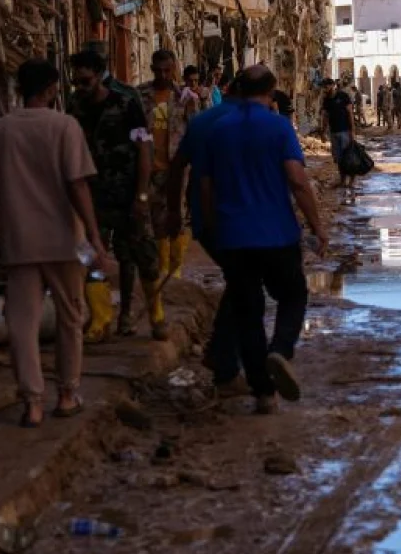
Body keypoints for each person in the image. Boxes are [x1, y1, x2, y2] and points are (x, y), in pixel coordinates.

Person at [0, 60, 111, 427]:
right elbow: (78, 184)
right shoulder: (65, 126)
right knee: (71, 317)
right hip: (64, 242)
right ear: (52, 89)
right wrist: (95, 236)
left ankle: (32, 403)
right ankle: (67, 394)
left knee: (21, 323)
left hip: (19, 242)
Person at [198, 65, 328, 414]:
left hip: (233, 236)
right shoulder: (278, 126)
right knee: (293, 295)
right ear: (271, 91)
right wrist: (317, 226)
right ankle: (281, 350)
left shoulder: (217, 128)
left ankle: (263, 393)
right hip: (276, 234)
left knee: (247, 312)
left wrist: (214, 228)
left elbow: (205, 187)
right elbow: (298, 181)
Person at [69, 49, 166, 341]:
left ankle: (156, 315)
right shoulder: (75, 107)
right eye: (76, 82)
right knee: (91, 258)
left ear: (100, 77)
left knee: (143, 258)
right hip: (93, 197)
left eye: (85, 81)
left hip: (128, 195)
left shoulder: (126, 104)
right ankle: (101, 318)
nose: (80, 88)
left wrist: (142, 196)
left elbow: (144, 150)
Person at [166, 73, 242, 394]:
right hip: (238, 217)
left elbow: (177, 165)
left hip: (204, 217)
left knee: (240, 282)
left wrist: (173, 212)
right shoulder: (247, 121)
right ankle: (222, 358)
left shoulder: (201, 121)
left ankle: (223, 357)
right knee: (244, 284)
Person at [137, 50, 197, 286]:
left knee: (176, 216)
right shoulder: (140, 95)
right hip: (148, 167)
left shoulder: (185, 98)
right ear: (152, 69)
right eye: (158, 70)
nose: (162, 75)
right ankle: (160, 267)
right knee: (152, 220)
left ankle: (176, 268)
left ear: (174, 69)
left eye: (167, 70)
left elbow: (194, 132)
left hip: (176, 168)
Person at [320, 78, 355, 186]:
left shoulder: (343, 96)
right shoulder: (326, 100)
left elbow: (350, 113)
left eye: (326, 86)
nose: (325, 89)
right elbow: (325, 116)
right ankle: (343, 179)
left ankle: (352, 180)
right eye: (323, 87)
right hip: (333, 132)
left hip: (345, 131)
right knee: (338, 158)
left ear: (332, 85)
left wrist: (352, 130)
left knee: (348, 156)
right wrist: (323, 131)